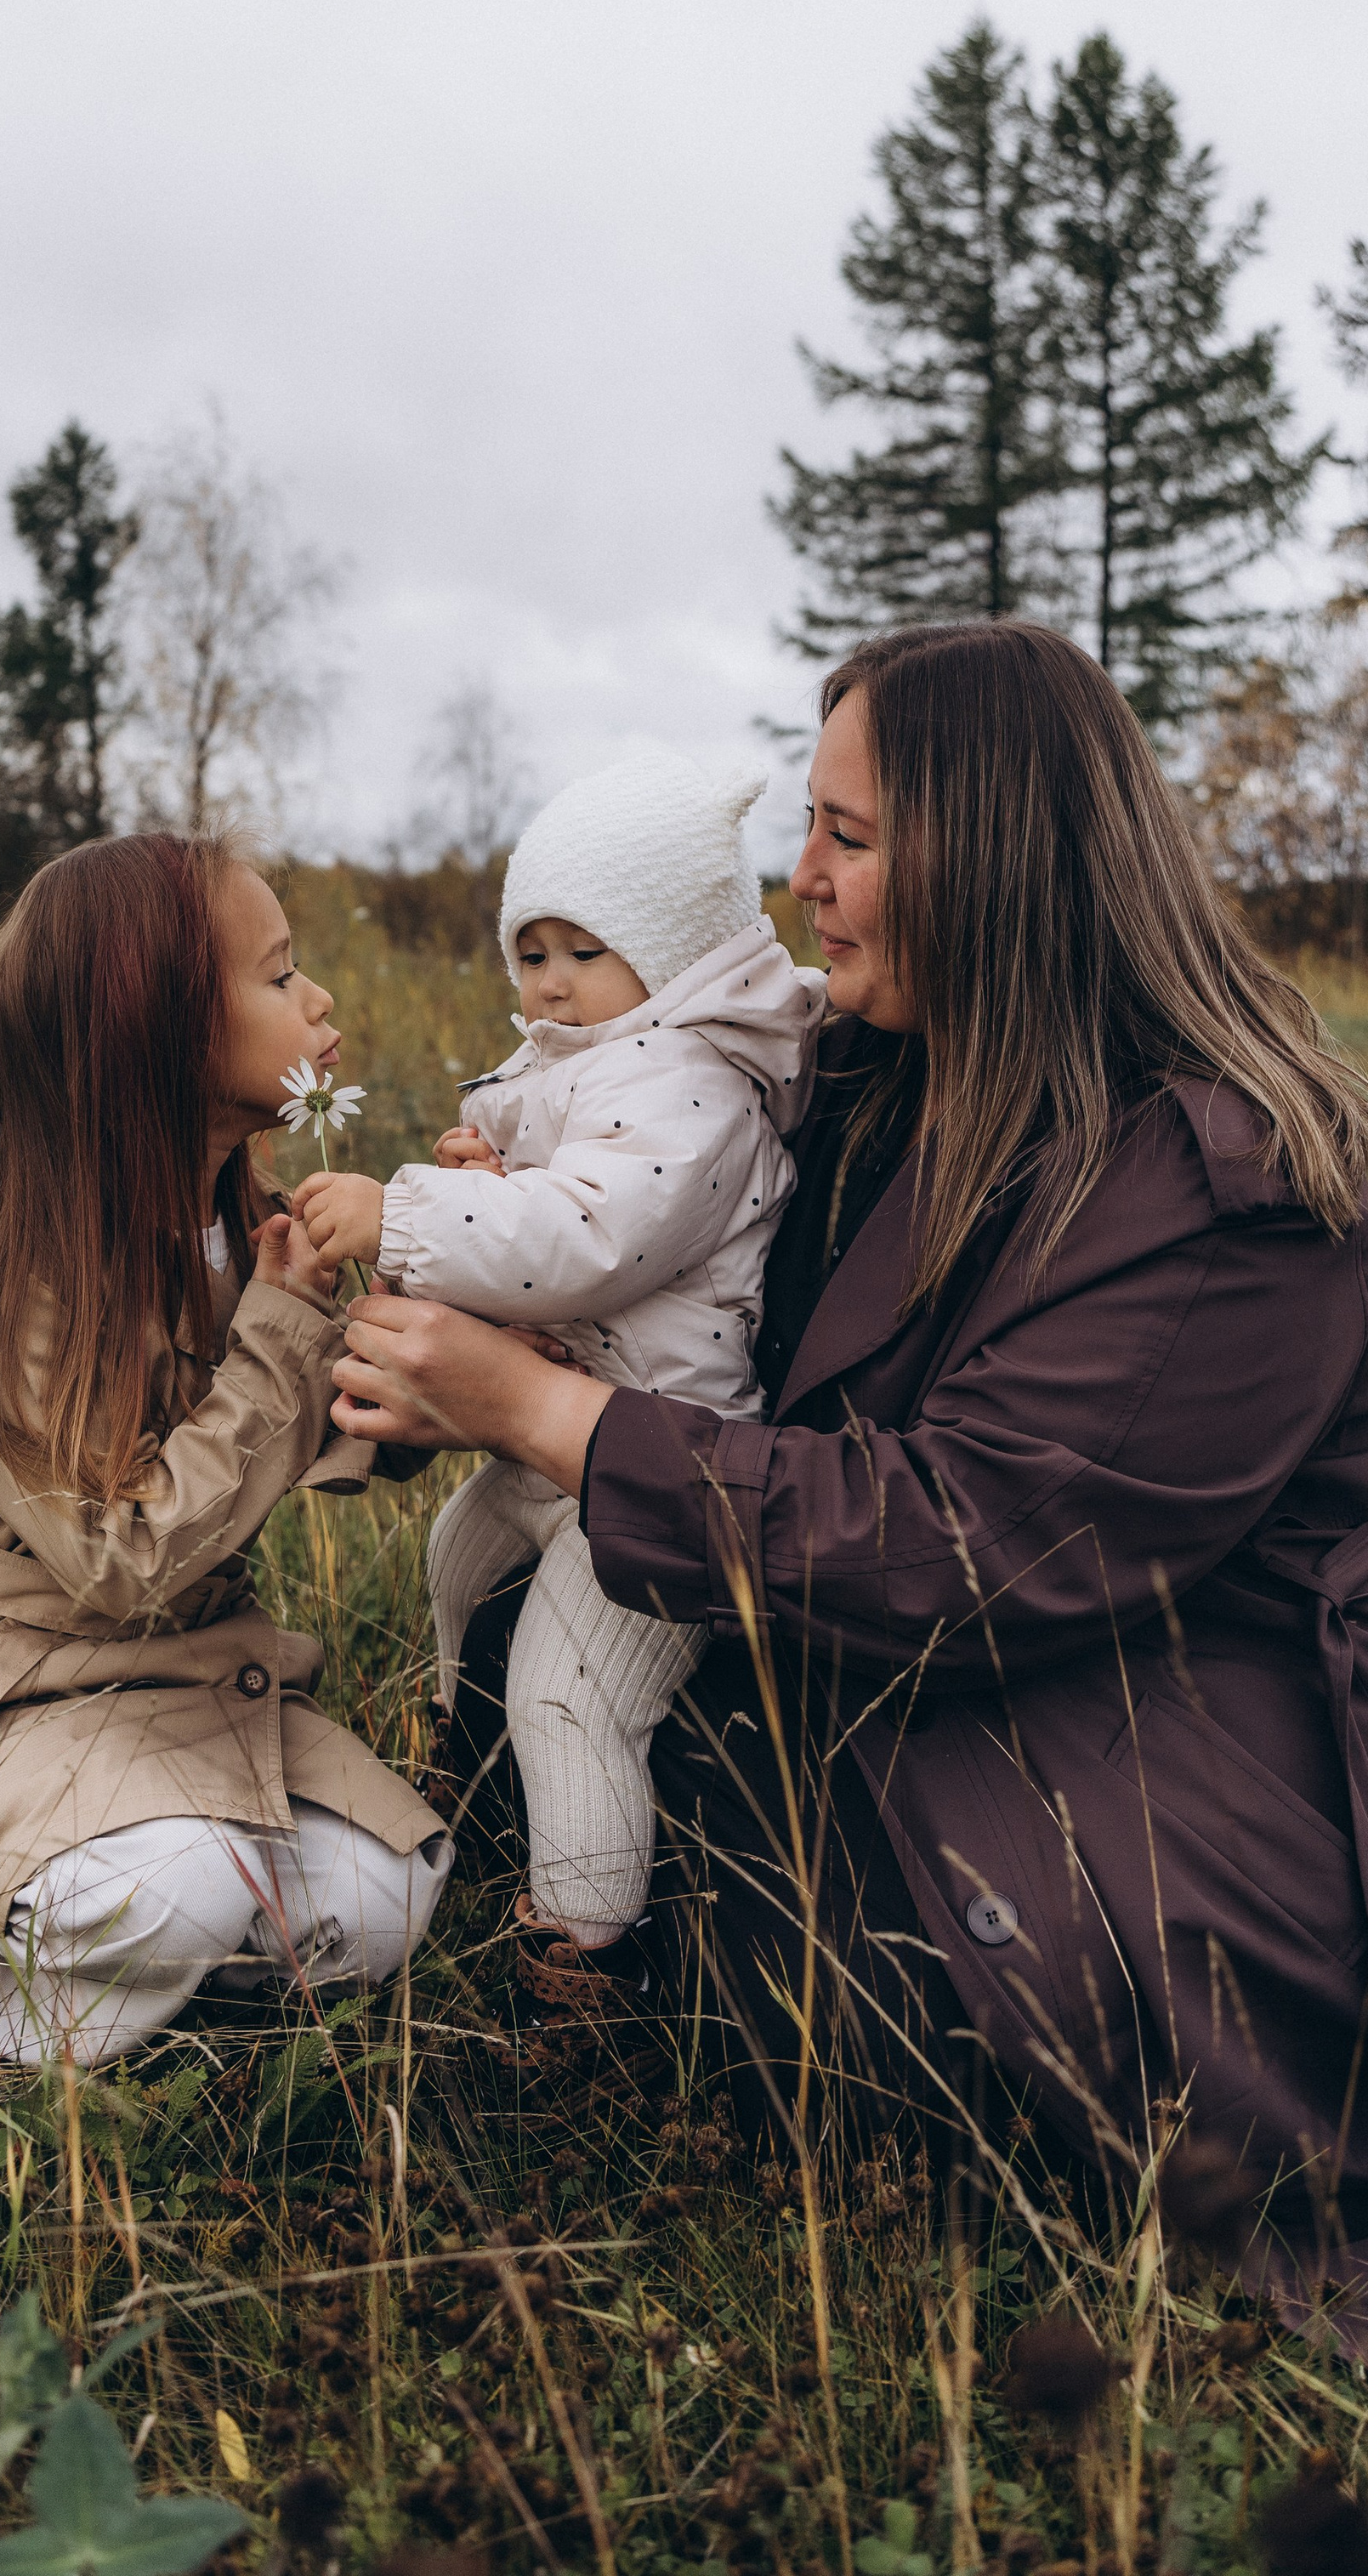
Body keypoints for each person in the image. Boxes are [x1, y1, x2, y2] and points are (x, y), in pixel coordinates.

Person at [329, 619, 1368, 2378]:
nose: (797, 887)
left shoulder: (1218, 1182)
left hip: (1217, 1751)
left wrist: (551, 1415)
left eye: (850, 838)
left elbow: (960, 1543)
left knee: (793, 1940)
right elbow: (702, 1288)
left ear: (1002, 854)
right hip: (1010, 1661)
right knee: (561, 1660)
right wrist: (513, 1324)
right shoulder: (892, 1066)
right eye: (803, 827)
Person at [0, 834, 447, 2068]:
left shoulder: (242, 1223)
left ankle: (148, 2008)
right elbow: (127, 1562)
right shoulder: (22, 1287)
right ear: (159, 1035)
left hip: (193, 1682)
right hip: (28, 1699)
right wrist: (288, 1334)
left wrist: (452, 1266)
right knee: (177, 1886)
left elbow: (332, 1429)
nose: (319, 1000)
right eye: (280, 977)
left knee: (398, 1888)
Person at [295, 748, 823, 2006]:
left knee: (572, 1691)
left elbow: (586, 1238)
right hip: (565, 1439)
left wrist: (409, 1213)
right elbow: (554, 1192)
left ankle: (582, 1951)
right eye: (530, 950)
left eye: (585, 950)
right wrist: (488, 1168)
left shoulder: (695, 1085)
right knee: (458, 1562)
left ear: (680, 948)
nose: (551, 981)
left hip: (664, 1468)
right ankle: (464, 1772)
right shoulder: (595, 1058)